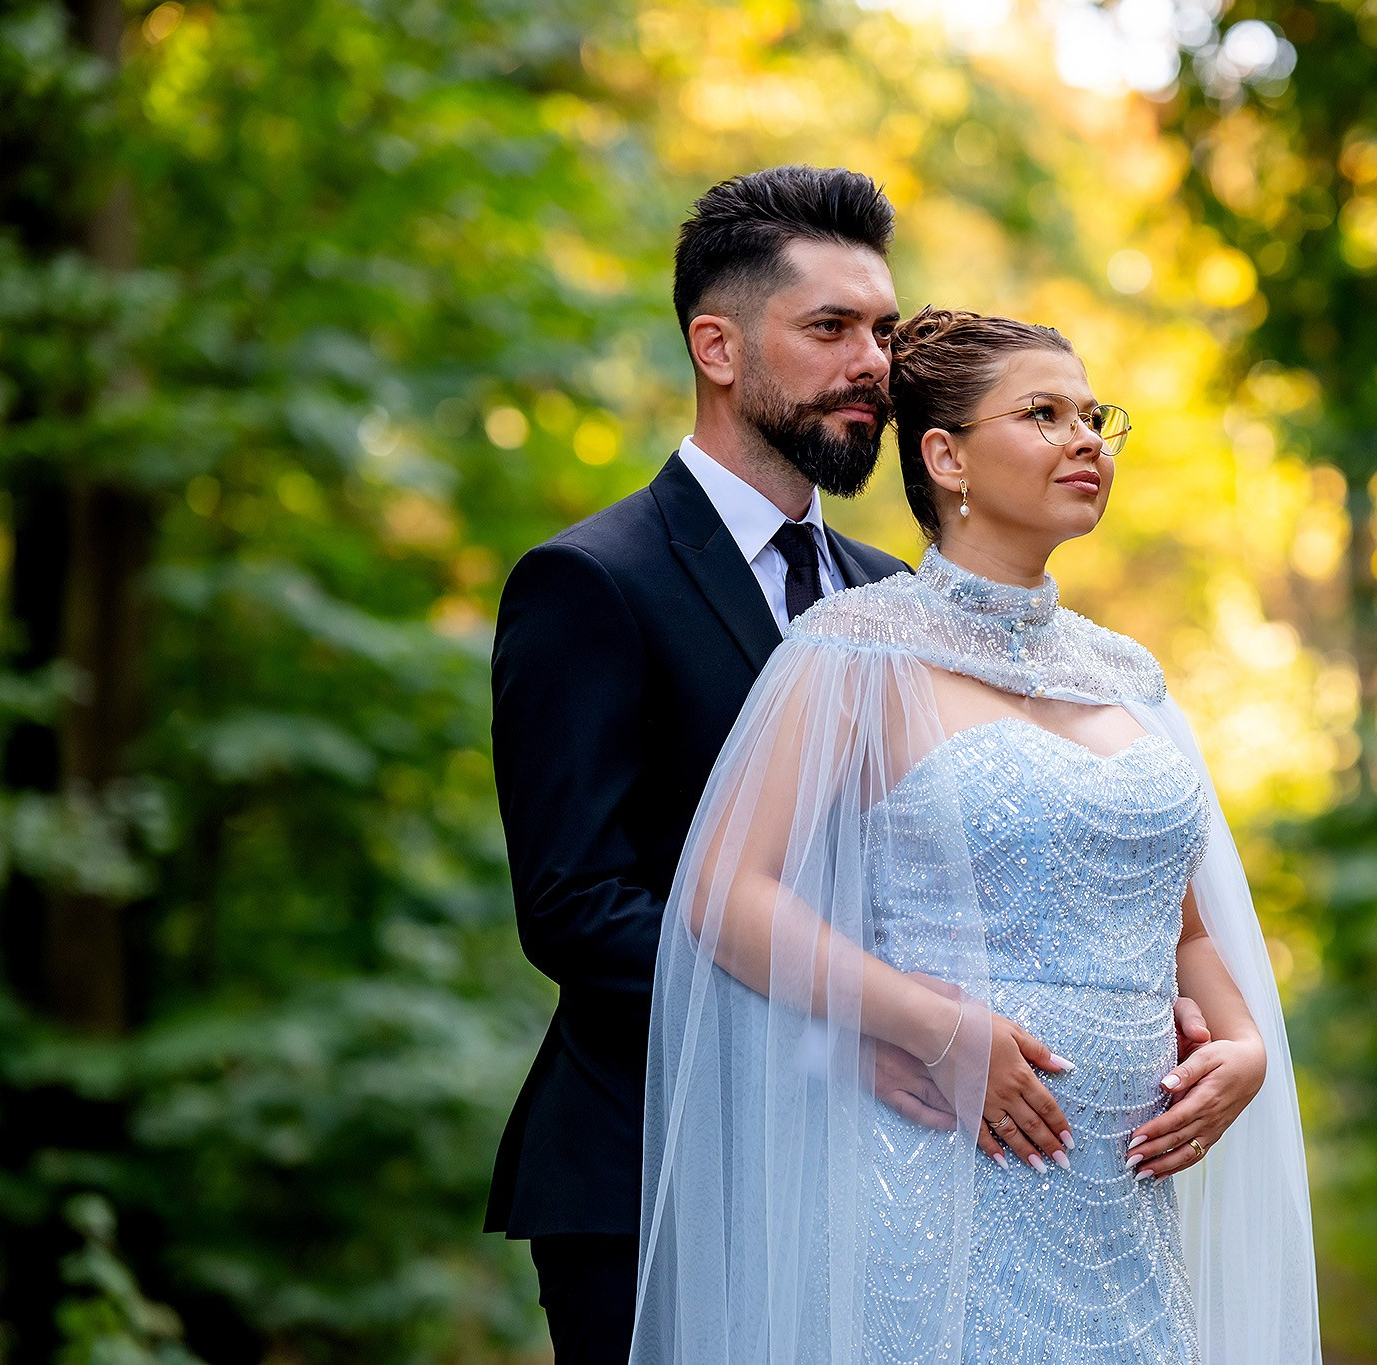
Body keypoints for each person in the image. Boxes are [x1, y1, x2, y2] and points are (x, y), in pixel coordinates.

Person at [488, 168, 1227, 1363]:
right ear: (717, 348)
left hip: (917, 1175)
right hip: (655, 1169)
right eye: (830, 329)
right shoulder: (592, 582)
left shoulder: (897, 599)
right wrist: (861, 1028)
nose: (872, 364)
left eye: (882, 330)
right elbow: (576, 906)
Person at [632, 307, 1318, 1362]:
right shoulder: (855, 653)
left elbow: (1179, 926)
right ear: (944, 457)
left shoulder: (1126, 675)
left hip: (1123, 1209)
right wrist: (937, 1027)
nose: (1085, 440)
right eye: (1043, 414)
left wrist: (1243, 1046)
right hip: (932, 1186)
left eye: (1094, 417)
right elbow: (727, 892)